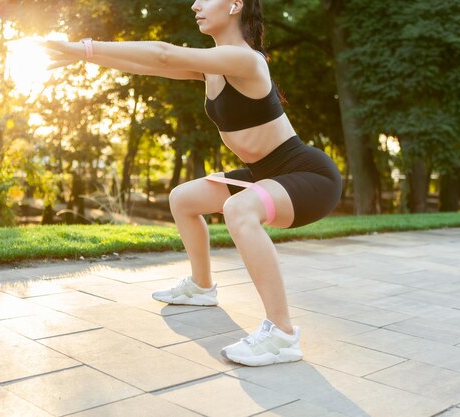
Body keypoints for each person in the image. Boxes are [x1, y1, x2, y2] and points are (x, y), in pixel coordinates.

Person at [43, 0, 342, 367]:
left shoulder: (247, 60)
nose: (195, 4)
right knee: (183, 198)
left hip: (308, 175)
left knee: (239, 208)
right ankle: (201, 287)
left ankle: (282, 334)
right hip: (265, 173)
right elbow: (149, 63)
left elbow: (164, 54)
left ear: (235, 5)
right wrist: (85, 58)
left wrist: (86, 46)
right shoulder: (212, 67)